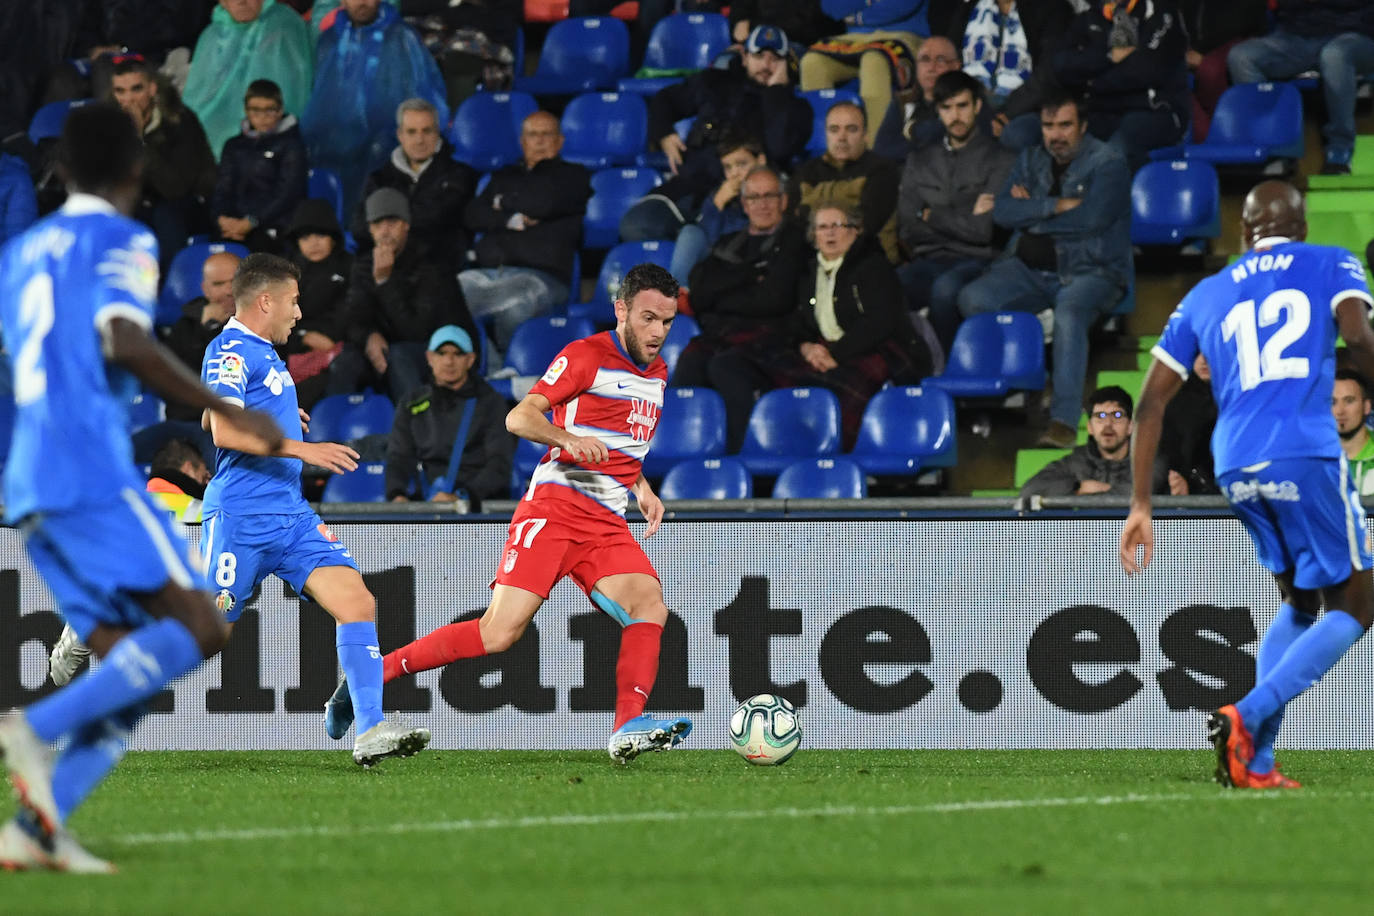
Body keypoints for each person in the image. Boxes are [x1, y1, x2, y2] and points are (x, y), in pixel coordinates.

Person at [0, 102, 284, 873]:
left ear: (59, 170)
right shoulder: (122, 237)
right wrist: (230, 410)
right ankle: (36, 723)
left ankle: (35, 830)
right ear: (135, 167)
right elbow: (123, 338)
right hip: (86, 468)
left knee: (126, 664)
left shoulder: (22, 251)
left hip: (27, 476)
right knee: (201, 625)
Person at [324, 263, 696, 765]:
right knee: (498, 634)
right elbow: (519, 416)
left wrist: (642, 487)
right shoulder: (585, 356)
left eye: (667, 322)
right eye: (649, 318)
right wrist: (566, 439)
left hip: (606, 521)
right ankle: (376, 674)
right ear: (621, 309)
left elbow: (621, 443)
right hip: (556, 508)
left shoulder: (658, 371)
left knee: (650, 605)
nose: (658, 333)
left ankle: (628, 725)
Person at [1120, 180, 1374, 790]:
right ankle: (1246, 714)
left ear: (1243, 234)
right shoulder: (1331, 260)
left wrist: (1139, 503)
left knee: (1299, 600)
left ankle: (1256, 761)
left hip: (1234, 461)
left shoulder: (1206, 293)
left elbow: (1151, 402)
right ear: (1304, 225)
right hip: (1303, 451)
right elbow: (1359, 337)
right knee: (1358, 603)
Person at [200, 252, 432, 766]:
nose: (299, 314)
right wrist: (303, 449)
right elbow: (223, 428)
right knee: (205, 640)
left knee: (358, 602)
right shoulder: (231, 350)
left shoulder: (260, 352)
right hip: (242, 517)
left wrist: (283, 417)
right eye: (293, 301)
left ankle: (370, 729)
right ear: (265, 301)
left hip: (291, 515)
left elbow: (216, 413)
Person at [957, 92, 1132, 449]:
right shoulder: (1031, 157)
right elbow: (1003, 211)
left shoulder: (1109, 162)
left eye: (1065, 125)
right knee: (972, 299)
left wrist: (1032, 215)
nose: (1056, 135)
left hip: (1091, 270)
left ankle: (1064, 421)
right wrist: (1054, 205)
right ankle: (1024, 383)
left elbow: (1091, 220)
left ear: (1082, 126)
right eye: (1048, 126)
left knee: (1069, 314)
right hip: (1028, 268)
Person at [710, 203, 934, 449]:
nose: (829, 233)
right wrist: (805, 347)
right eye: (822, 227)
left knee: (826, 389)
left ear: (855, 231)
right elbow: (798, 320)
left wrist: (835, 354)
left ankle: (824, 457)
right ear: (814, 235)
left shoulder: (874, 266)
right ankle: (747, 450)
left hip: (874, 348)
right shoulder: (808, 270)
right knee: (730, 362)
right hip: (821, 348)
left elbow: (880, 321)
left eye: (837, 226)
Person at [633, 24, 812, 237]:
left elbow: (779, 147)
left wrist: (776, 92)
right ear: (744, 57)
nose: (767, 65)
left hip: (740, 201)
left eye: (775, 59)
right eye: (759, 56)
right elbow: (665, 100)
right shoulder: (714, 81)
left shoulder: (795, 108)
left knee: (702, 238)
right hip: (689, 188)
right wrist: (663, 133)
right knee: (636, 224)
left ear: (786, 64)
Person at [673, 167, 808, 448]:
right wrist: (748, 277)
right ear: (744, 204)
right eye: (755, 197)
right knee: (690, 362)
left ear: (784, 201)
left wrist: (721, 295)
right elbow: (698, 297)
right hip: (721, 334)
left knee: (726, 367)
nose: (763, 204)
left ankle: (737, 456)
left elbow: (775, 300)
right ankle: (685, 455)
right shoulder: (727, 243)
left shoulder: (795, 241)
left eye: (770, 196)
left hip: (772, 338)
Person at [897, 70, 1015, 354]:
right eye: (947, 108)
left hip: (977, 262)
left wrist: (931, 215)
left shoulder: (1002, 159)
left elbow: (983, 231)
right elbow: (907, 227)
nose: (956, 116)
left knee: (945, 289)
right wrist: (965, 218)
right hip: (928, 258)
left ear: (976, 106)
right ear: (938, 111)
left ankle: (948, 373)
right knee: (889, 286)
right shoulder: (919, 160)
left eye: (962, 106)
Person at [329, 187, 478, 403]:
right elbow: (351, 320)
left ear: (406, 225)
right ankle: (334, 432)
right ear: (370, 230)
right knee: (345, 362)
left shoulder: (431, 264)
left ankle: (417, 430)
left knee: (399, 357)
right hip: (387, 349)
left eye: (392, 223)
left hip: (440, 350)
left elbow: (416, 330)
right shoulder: (364, 265)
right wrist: (368, 336)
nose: (385, 231)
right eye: (378, 224)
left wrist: (384, 282)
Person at [459, 111, 590, 353]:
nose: (539, 141)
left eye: (546, 134)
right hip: (490, 273)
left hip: (540, 277)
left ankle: (512, 371)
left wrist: (501, 203)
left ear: (560, 141)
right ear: (522, 142)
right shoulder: (504, 175)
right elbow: (472, 214)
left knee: (517, 303)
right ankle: (491, 369)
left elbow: (543, 203)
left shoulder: (573, 175)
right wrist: (511, 218)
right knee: (449, 296)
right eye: (532, 135)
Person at [302, 0, 448, 216]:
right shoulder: (329, 40)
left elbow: (424, 96)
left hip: (384, 152)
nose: (362, 3)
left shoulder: (402, 38)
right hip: (331, 148)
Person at [1227, 1, 1374, 175]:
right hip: (1296, 38)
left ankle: (1340, 151)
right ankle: (1271, 146)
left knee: (1335, 55)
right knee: (1242, 57)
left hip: (1355, 35)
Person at [1051, 0, 1190, 172]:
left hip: (1156, 110)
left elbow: (1144, 71)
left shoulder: (1161, 12)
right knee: (1060, 140)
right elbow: (1061, 65)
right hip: (1103, 109)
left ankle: (1129, 197)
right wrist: (1108, 57)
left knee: (1119, 147)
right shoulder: (1090, 16)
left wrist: (1091, 81)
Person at [110, 54, 217, 273]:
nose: (128, 99)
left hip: (188, 203)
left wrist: (140, 141)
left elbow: (176, 188)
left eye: (136, 89)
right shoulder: (107, 125)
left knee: (165, 215)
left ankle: (172, 289)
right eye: (120, 91)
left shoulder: (180, 121)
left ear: (151, 89)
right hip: (139, 203)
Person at [385, 325, 514, 506]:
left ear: (470, 360)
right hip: (427, 506)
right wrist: (397, 494)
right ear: (429, 358)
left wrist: (464, 497)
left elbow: (499, 464)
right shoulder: (412, 403)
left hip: (475, 507)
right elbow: (398, 456)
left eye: (458, 354)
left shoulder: (491, 403)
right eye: (442, 353)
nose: (449, 361)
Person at [350, 98, 477, 266]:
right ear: (400, 135)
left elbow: (441, 220)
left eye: (427, 131)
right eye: (411, 132)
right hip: (387, 266)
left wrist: (386, 224)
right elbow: (359, 227)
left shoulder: (460, 175)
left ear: (437, 132)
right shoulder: (379, 179)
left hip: (439, 269)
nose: (419, 140)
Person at [182, 0, 315, 158]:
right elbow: (196, 103)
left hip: (271, 149)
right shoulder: (211, 35)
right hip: (212, 150)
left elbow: (293, 98)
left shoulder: (284, 26)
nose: (241, 2)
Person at [936, 0, 1076, 151]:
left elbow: (1049, 73)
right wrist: (982, 113)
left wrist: (1009, 112)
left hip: (1027, 107)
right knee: (931, 129)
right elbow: (950, 62)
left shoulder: (1052, 8)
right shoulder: (969, 7)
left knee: (1016, 135)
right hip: (972, 103)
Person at [801, 2, 929, 148]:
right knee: (811, 63)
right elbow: (830, 6)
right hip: (854, 38)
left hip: (905, 35)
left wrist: (857, 17)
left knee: (874, 61)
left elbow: (901, 6)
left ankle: (875, 154)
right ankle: (823, 151)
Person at [794, 100, 901, 262]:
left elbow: (866, 225)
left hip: (866, 261)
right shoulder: (807, 172)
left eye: (851, 129)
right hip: (811, 261)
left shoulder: (883, 171)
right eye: (834, 130)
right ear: (826, 134)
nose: (842, 137)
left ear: (866, 135)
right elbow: (793, 222)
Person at [1018, 385, 1169, 500]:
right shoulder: (1077, 461)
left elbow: (1134, 497)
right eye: (1100, 416)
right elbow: (1029, 491)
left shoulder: (1149, 460)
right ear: (1090, 427)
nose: (1108, 424)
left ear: (1130, 426)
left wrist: (1081, 496)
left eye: (1117, 415)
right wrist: (1077, 486)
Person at [211, 78, 308, 252]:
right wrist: (222, 218)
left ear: (280, 110)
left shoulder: (292, 145)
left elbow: (287, 194)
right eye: (255, 110)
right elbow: (222, 188)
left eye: (269, 110)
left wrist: (252, 221)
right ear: (246, 111)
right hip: (235, 225)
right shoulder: (233, 145)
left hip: (275, 225)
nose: (262, 117)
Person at [161, 250, 242, 421]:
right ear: (206, 290)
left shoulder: (264, 322)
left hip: (238, 423)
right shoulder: (186, 325)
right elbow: (174, 382)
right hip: (188, 419)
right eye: (219, 284)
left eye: (235, 281)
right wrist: (207, 329)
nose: (228, 291)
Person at [872, 34, 962, 160]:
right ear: (917, 66)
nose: (931, 68)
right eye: (925, 60)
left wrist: (914, 136)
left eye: (940, 60)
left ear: (956, 66)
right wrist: (924, 137)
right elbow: (882, 150)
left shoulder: (966, 103)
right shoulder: (903, 101)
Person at [1159, 353, 1219, 495]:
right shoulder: (1174, 402)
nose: (1204, 361)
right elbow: (1168, 456)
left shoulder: (1241, 398)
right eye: (1197, 354)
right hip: (1187, 495)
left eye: (1208, 351)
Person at [146, 436, 211, 523]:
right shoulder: (206, 514)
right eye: (203, 478)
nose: (206, 484)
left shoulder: (134, 505)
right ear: (189, 469)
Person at [1333, 368, 1374, 496]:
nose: (1340, 411)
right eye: (1333, 402)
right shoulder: (1312, 458)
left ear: (1366, 407)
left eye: (1349, 401)